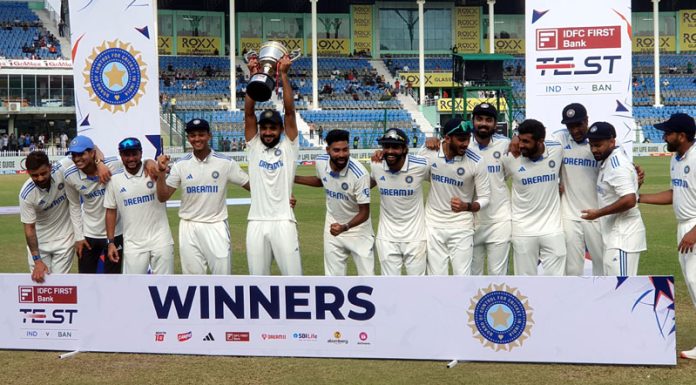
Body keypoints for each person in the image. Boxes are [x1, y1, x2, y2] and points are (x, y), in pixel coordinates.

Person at [156, 118, 250, 275]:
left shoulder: (225, 163)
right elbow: (163, 196)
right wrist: (160, 172)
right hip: (189, 226)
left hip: (216, 225)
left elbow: (251, 186)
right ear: (188, 138)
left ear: (209, 136)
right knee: (193, 281)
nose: (197, 139)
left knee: (222, 278)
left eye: (201, 134)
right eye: (193, 135)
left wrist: (280, 198)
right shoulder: (181, 164)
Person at [638, 113, 696, 359]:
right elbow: (676, 193)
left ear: (681, 136)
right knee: (693, 285)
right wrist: (638, 199)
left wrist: (694, 231)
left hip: (693, 227)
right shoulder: (676, 158)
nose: (664, 136)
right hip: (684, 226)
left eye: (668, 133)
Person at [245, 54, 302, 276]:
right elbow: (249, 113)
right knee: (257, 281)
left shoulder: (289, 146)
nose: (268, 132)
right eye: (264, 128)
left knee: (294, 278)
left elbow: (290, 112)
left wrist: (284, 75)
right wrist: (253, 76)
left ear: (280, 129)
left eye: (273, 128)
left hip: (283, 221)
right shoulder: (254, 145)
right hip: (256, 221)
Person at [294, 129, 375, 275]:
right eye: (336, 150)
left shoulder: (360, 174)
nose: (342, 155)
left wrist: (345, 227)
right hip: (332, 226)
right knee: (333, 279)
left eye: (345, 150)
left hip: (358, 230)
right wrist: (295, 178)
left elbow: (365, 212)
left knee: (367, 279)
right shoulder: (320, 162)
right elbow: (321, 181)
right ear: (328, 150)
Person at [420, 118, 490, 275]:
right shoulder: (428, 153)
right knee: (437, 279)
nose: (466, 144)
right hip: (433, 225)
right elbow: (414, 173)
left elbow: (485, 197)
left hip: (461, 226)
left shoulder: (477, 161)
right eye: (461, 139)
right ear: (447, 138)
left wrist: (467, 206)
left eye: (468, 139)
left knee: (462, 278)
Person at [501, 119, 566, 276]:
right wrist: (514, 139)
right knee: (525, 284)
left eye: (526, 141)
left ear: (540, 141)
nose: (521, 145)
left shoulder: (557, 150)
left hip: (552, 229)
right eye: (520, 139)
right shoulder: (510, 157)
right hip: (523, 230)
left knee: (557, 283)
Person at [581, 122, 646, 276]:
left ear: (612, 142)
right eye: (591, 145)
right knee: (615, 288)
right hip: (615, 236)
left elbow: (630, 200)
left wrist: (598, 214)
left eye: (598, 145)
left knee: (621, 288)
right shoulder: (608, 161)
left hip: (623, 238)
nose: (594, 150)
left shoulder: (617, 165)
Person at [104, 138, 174, 274]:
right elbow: (110, 211)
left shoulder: (152, 171)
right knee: (133, 288)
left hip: (161, 240)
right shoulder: (114, 179)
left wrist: (159, 172)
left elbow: (164, 194)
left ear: (141, 154)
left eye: (134, 154)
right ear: (121, 155)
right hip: (133, 243)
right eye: (126, 155)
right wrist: (111, 242)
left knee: (165, 286)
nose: (131, 159)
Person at [63, 136, 127, 274]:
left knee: (113, 279)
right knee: (86, 279)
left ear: (92, 153)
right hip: (89, 235)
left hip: (116, 232)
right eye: (74, 155)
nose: (77, 159)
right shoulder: (70, 175)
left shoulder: (113, 165)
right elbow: (74, 206)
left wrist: (150, 163)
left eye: (81, 154)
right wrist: (79, 237)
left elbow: (137, 162)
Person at [554, 103, 604, 276]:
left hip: (596, 213)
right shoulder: (559, 139)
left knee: (601, 264)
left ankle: (600, 302)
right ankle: (572, 302)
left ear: (587, 121)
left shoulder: (599, 140)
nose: (574, 130)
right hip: (569, 214)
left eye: (578, 125)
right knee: (572, 268)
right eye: (570, 126)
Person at [371, 128, 430, 275]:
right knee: (390, 287)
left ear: (405, 149)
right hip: (387, 239)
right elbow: (365, 186)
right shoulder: (376, 165)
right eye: (386, 147)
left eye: (395, 147)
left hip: (416, 239)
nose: (390, 151)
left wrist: (437, 142)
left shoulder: (421, 165)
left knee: (417, 287)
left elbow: (442, 167)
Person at [19, 151, 82, 283]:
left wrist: (99, 164)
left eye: (43, 173)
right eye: (34, 175)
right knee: (41, 288)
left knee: (59, 287)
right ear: (28, 173)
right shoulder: (26, 194)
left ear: (50, 167)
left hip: (65, 239)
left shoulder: (62, 166)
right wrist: (37, 260)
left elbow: (89, 150)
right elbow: (29, 228)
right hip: (40, 244)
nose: (40, 178)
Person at [469, 103, 512, 275]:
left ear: (495, 124)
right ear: (473, 121)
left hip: (499, 221)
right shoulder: (464, 145)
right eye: (479, 119)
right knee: (472, 277)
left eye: (488, 120)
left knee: (498, 276)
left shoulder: (505, 145)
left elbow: (510, 173)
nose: (483, 124)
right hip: (470, 223)